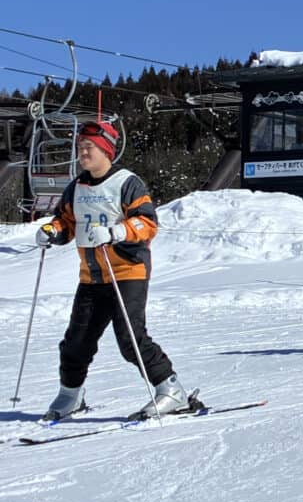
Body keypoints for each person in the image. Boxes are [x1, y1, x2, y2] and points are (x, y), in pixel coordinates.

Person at [33, 120, 190, 421]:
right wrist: (52, 231)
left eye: (88, 147)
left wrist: (117, 231)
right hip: (92, 276)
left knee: (131, 339)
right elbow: (66, 222)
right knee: (76, 341)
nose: (82, 153)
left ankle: (171, 391)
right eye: (80, 147)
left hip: (127, 272)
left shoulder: (127, 183)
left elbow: (148, 222)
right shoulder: (76, 187)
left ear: (106, 150)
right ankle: (70, 395)